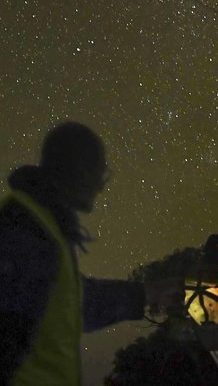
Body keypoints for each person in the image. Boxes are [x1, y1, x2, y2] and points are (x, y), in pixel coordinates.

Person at [0, 123, 166, 386]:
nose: (101, 185)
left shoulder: (44, 225)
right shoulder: (25, 227)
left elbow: (72, 305)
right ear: (79, 170)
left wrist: (150, 293)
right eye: (100, 171)